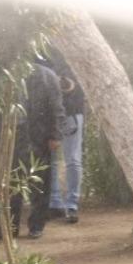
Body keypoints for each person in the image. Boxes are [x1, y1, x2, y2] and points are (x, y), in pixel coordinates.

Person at [9, 58, 68, 239]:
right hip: (16, 136)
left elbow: (57, 107)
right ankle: (11, 227)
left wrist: (55, 135)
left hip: (39, 135)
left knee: (40, 182)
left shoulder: (46, 75)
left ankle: (36, 225)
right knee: (13, 183)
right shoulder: (10, 74)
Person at [45, 47, 85, 224]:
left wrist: (52, 80)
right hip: (51, 115)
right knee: (52, 160)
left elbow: (70, 86)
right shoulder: (43, 52)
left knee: (71, 160)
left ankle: (70, 205)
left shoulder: (73, 52)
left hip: (70, 113)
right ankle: (56, 203)